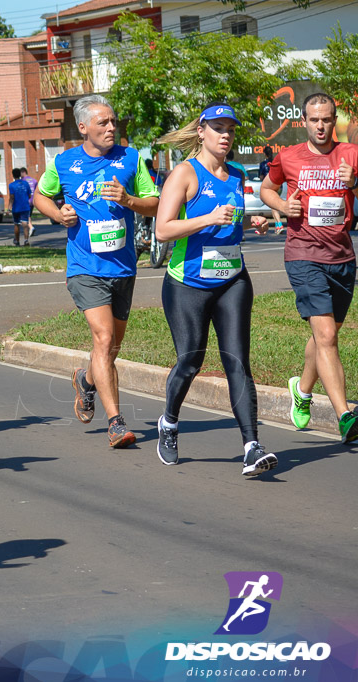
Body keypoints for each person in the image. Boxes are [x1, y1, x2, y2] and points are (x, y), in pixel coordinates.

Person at [153, 103, 277, 476]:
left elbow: (230, 221)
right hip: (187, 283)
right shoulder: (184, 174)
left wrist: (251, 222)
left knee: (237, 361)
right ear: (202, 131)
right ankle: (169, 424)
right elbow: (162, 229)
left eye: (231, 130)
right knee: (191, 361)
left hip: (232, 280)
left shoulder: (238, 174)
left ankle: (252, 447)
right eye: (219, 128)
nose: (226, 135)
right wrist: (207, 217)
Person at [33, 94, 160, 448]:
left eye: (113, 121)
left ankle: (86, 380)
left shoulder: (131, 158)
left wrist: (128, 200)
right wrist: (58, 215)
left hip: (123, 266)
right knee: (103, 339)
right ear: (83, 127)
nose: (110, 128)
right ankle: (116, 422)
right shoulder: (63, 162)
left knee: (112, 347)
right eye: (102, 123)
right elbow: (40, 197)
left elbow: (155, 204)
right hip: (84, 267)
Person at [260, 92, 358, 442]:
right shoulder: (288, 157)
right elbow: (266, 189)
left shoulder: (351, 155)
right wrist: (283, 207)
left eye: (327, 119)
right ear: (304, 121)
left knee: (325, 336)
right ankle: (345, 415)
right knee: (327, 336)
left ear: (335, 121)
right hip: (303, 254)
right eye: (314, 120)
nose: (320, 125)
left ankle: (301, 390)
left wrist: (354, 183)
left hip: (342, 258)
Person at [257, 146, 286, 235]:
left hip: (270, 187)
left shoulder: (263, 164)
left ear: (264, 153)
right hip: (280, 186)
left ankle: (279, 224)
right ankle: (278, 225)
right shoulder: (275, 162)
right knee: (274, 206)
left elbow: (261, 176)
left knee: (273, 206)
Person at [8, 168, 32, 246]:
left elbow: (12, 197)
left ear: (13, 175)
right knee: (25, 224)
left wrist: (9, 207)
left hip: (16, 207)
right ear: (20, 174)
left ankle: (17, 241)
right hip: (25, 206)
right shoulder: (26, 184)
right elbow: (29, 195)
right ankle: (26, 240)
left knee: (17, 224)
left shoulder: (11, 185)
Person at [21, 168, 39, 238]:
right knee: (28, 215)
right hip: (32, 200)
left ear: (23, 172)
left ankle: (31, 227)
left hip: (25, 200)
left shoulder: (22, 181)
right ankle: (30, 228)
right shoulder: (34, 180)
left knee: (26, 216)